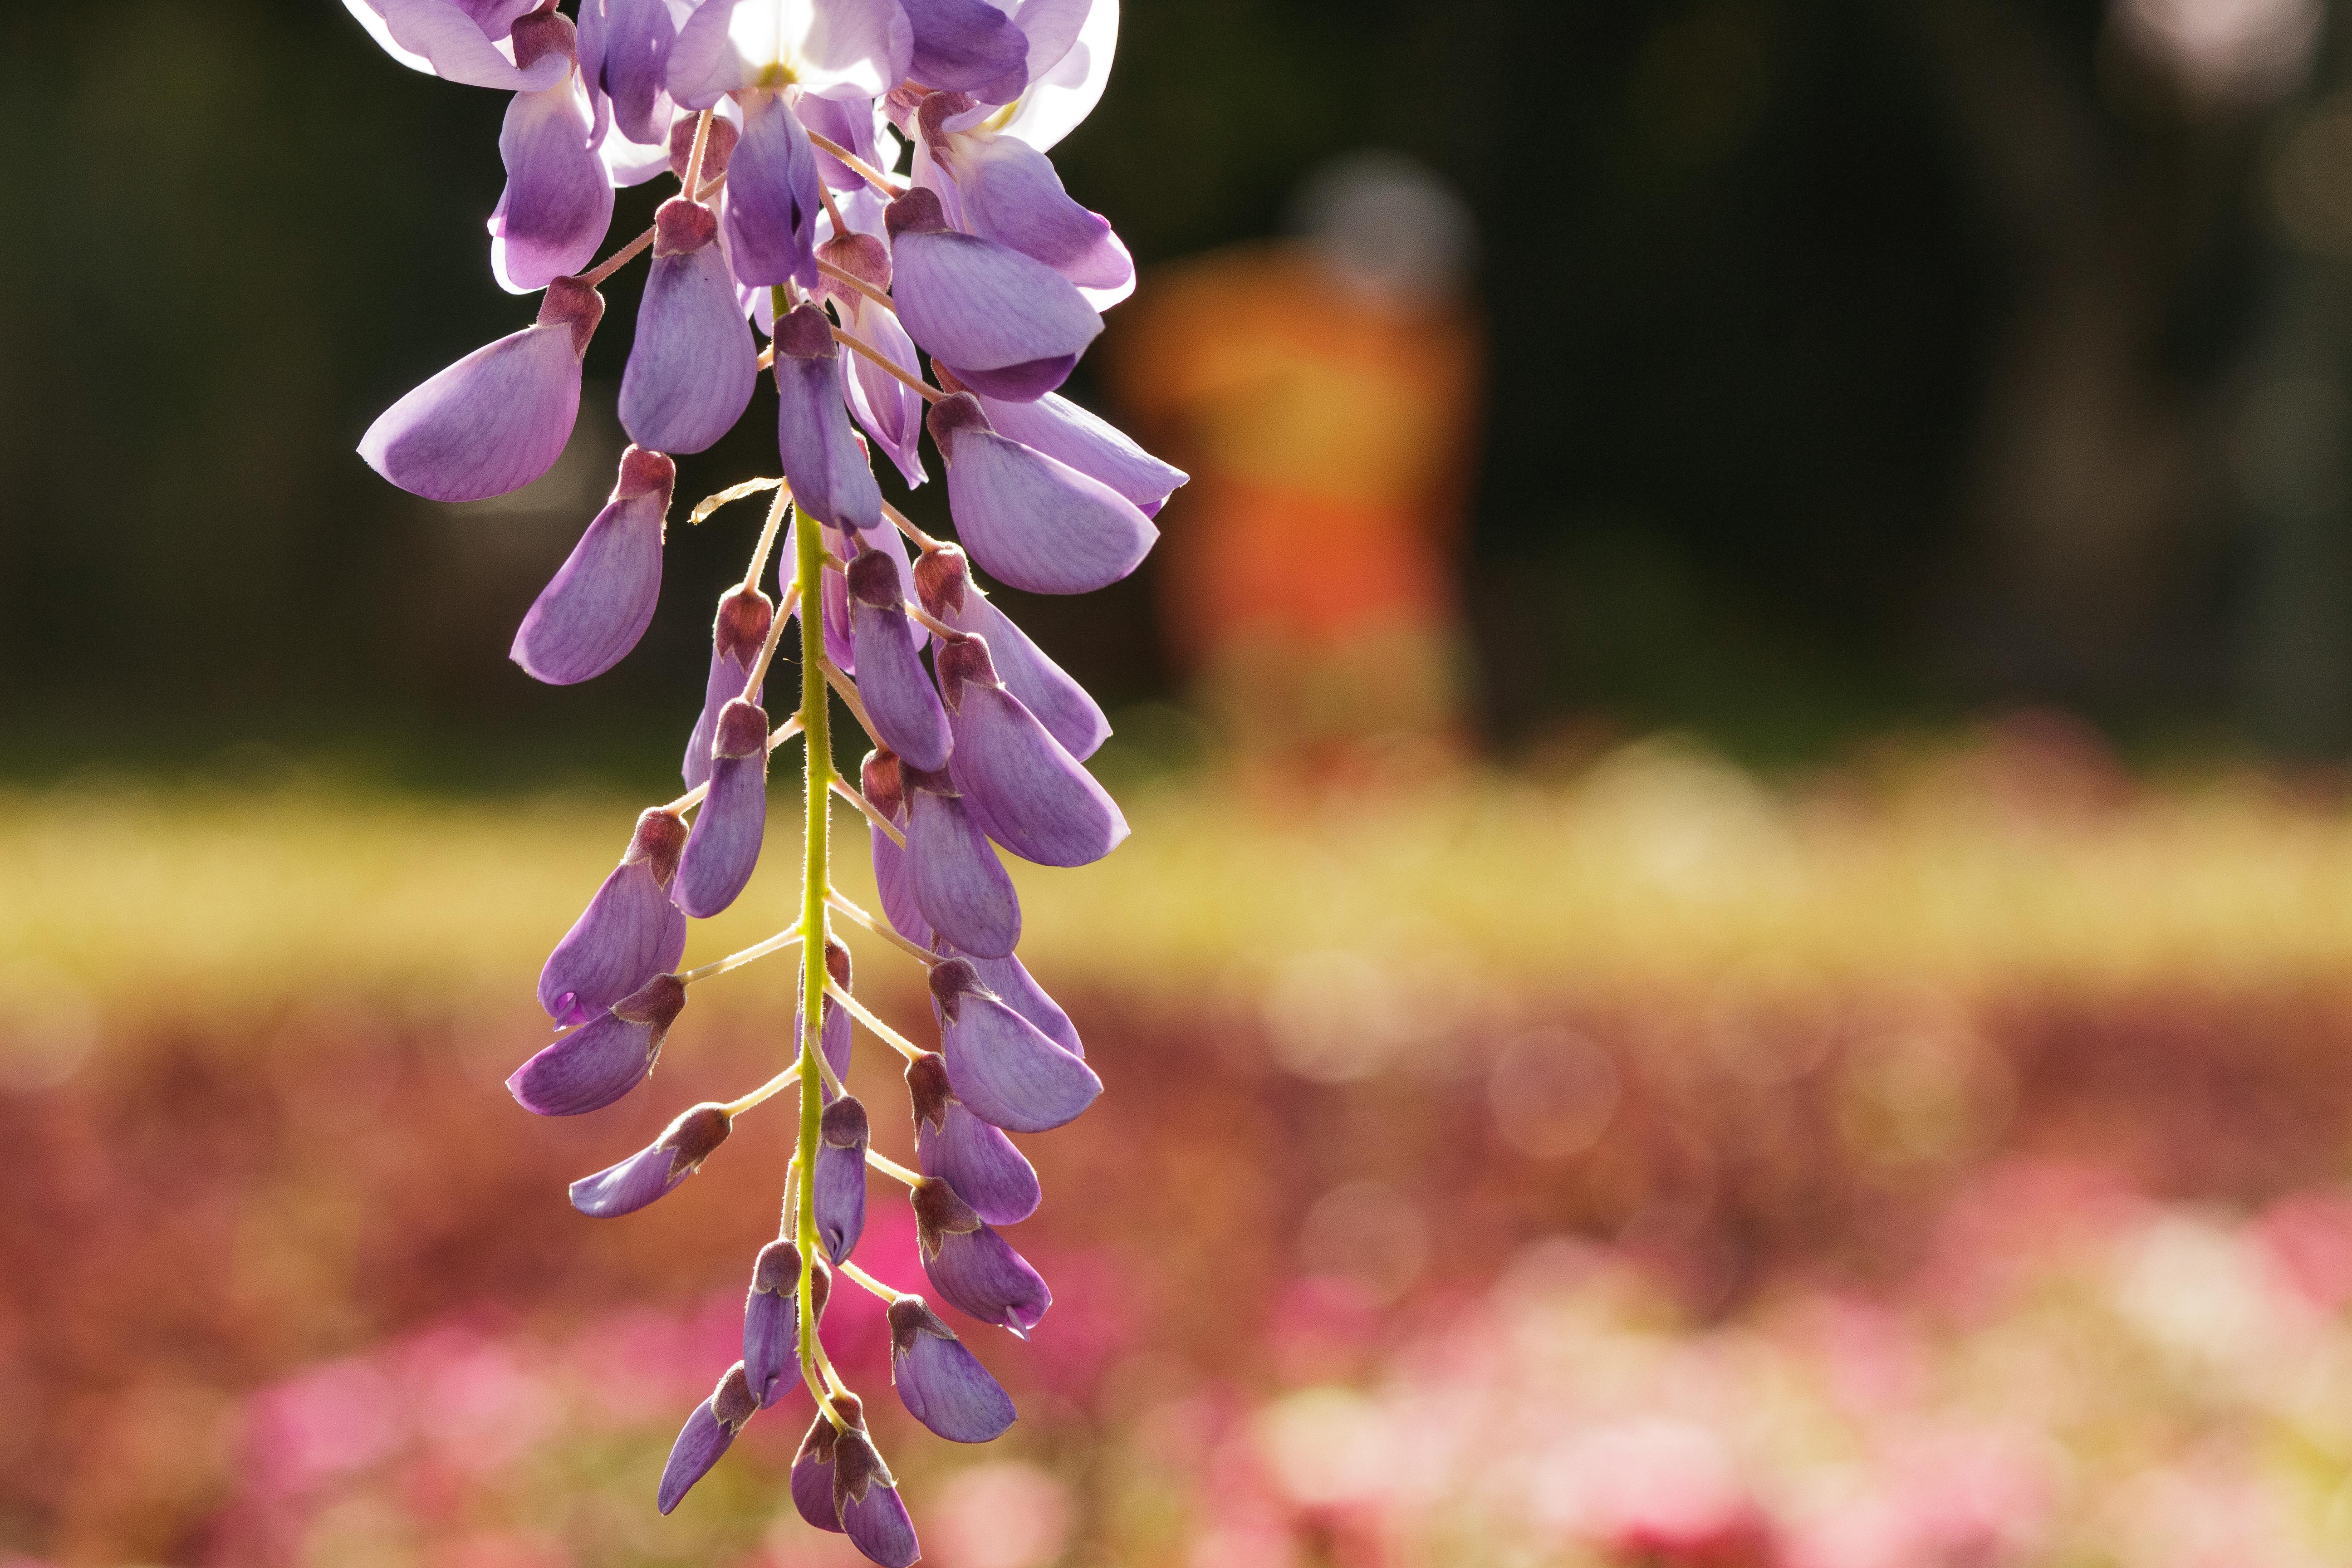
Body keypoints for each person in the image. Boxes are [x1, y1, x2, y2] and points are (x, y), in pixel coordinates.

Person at [1107, 151, 1485, 780]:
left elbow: (1439, 466)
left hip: (1372, 540)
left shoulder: (1437, 349)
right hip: (1260, 534)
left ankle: (1396, 810)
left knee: (1400, 693)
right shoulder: (1253, 309)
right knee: (1266, 690)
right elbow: (1152, 368)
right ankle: (1276, 813)